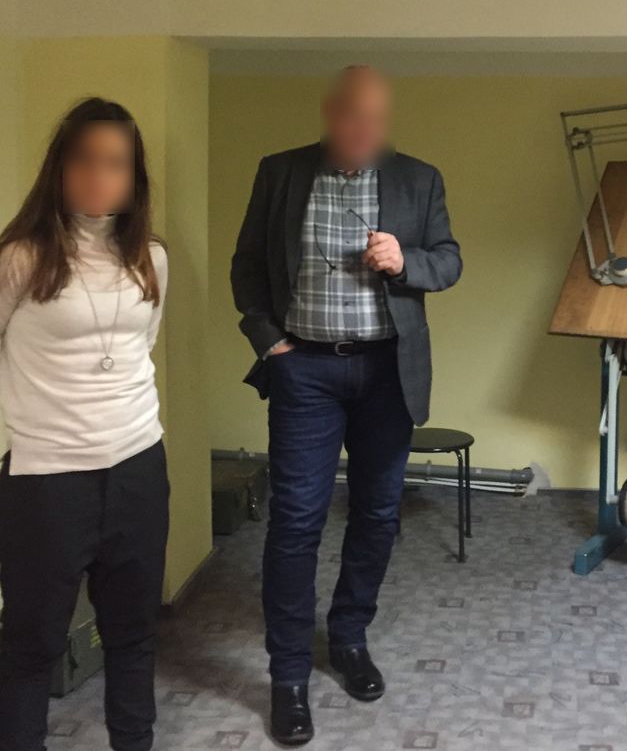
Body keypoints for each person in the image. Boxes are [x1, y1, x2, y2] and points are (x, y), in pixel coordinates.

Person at [230, 65, 462, 746]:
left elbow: (450, 261)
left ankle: (350, 636)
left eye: (378, 118)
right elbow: (247, 265)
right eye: (354, 115)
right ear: (330, 111)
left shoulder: (419, 179)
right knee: (296, 519)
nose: (366, 130)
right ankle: (288, 674)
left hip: (388, 371)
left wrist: (406, 260)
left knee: (378, 513)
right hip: (304, 369)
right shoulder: (280, 172)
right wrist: (270, 342)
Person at [0, 98, 170, 751]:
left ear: (134, 177)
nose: (100, 176)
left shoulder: (151, 257)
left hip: (138, 468)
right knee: (31, 645)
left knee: (134, 635)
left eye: (116, 163)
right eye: (85, 160)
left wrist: (79, 378)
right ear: (59, 168)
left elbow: (140, 347)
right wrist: (36, 375)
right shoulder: (17, 259)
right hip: (47, 482)